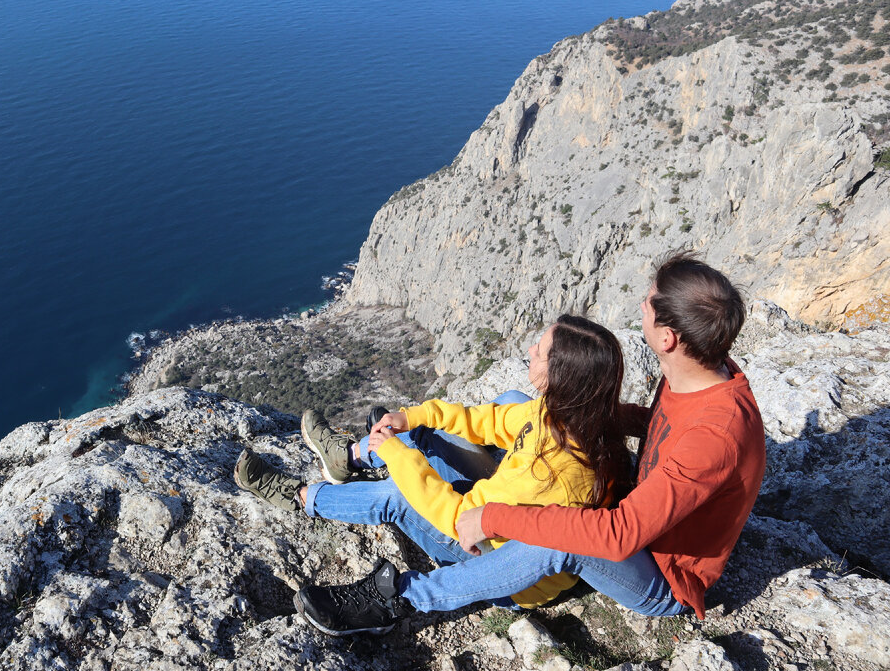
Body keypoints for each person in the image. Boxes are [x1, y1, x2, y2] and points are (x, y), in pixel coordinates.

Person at [288, 252, 763, 635]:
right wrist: (579, 409)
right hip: (645, 515)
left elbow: (619, 536)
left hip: (662, 577)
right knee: (521, 405)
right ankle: (384, 456)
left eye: (650, 302)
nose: (642, 303)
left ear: (667, 337)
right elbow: (658, 421)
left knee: (559, 537)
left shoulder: (713, 436)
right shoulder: (699, 373)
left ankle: (400, 599)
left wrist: (492, 517)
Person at [234, 313, 634, 633]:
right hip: (502, 505)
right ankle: (349, 457)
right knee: (431, 428)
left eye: (541, 351)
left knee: (397, 495)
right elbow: (491, 420)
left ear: (561, 377)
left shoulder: (553, 476)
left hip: (498, 561)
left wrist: (396, 455)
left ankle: (303, 497)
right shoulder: (571, 415)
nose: (530, 349)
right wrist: (416, 416)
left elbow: (459, 518)